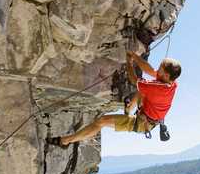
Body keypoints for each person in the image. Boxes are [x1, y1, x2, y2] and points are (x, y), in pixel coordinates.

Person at [46, 51, 181, 147]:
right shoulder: (172, 83)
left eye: (161, 69)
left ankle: (66, 141)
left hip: (141, 123)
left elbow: (134, 80)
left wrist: (129, 62)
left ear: (167, 75)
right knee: (143, 89)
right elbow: (150, 70)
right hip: (148, 117)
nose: (158, 70)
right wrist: (134, 55)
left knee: (101, 121)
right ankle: (129, 109)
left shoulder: (157, 88)